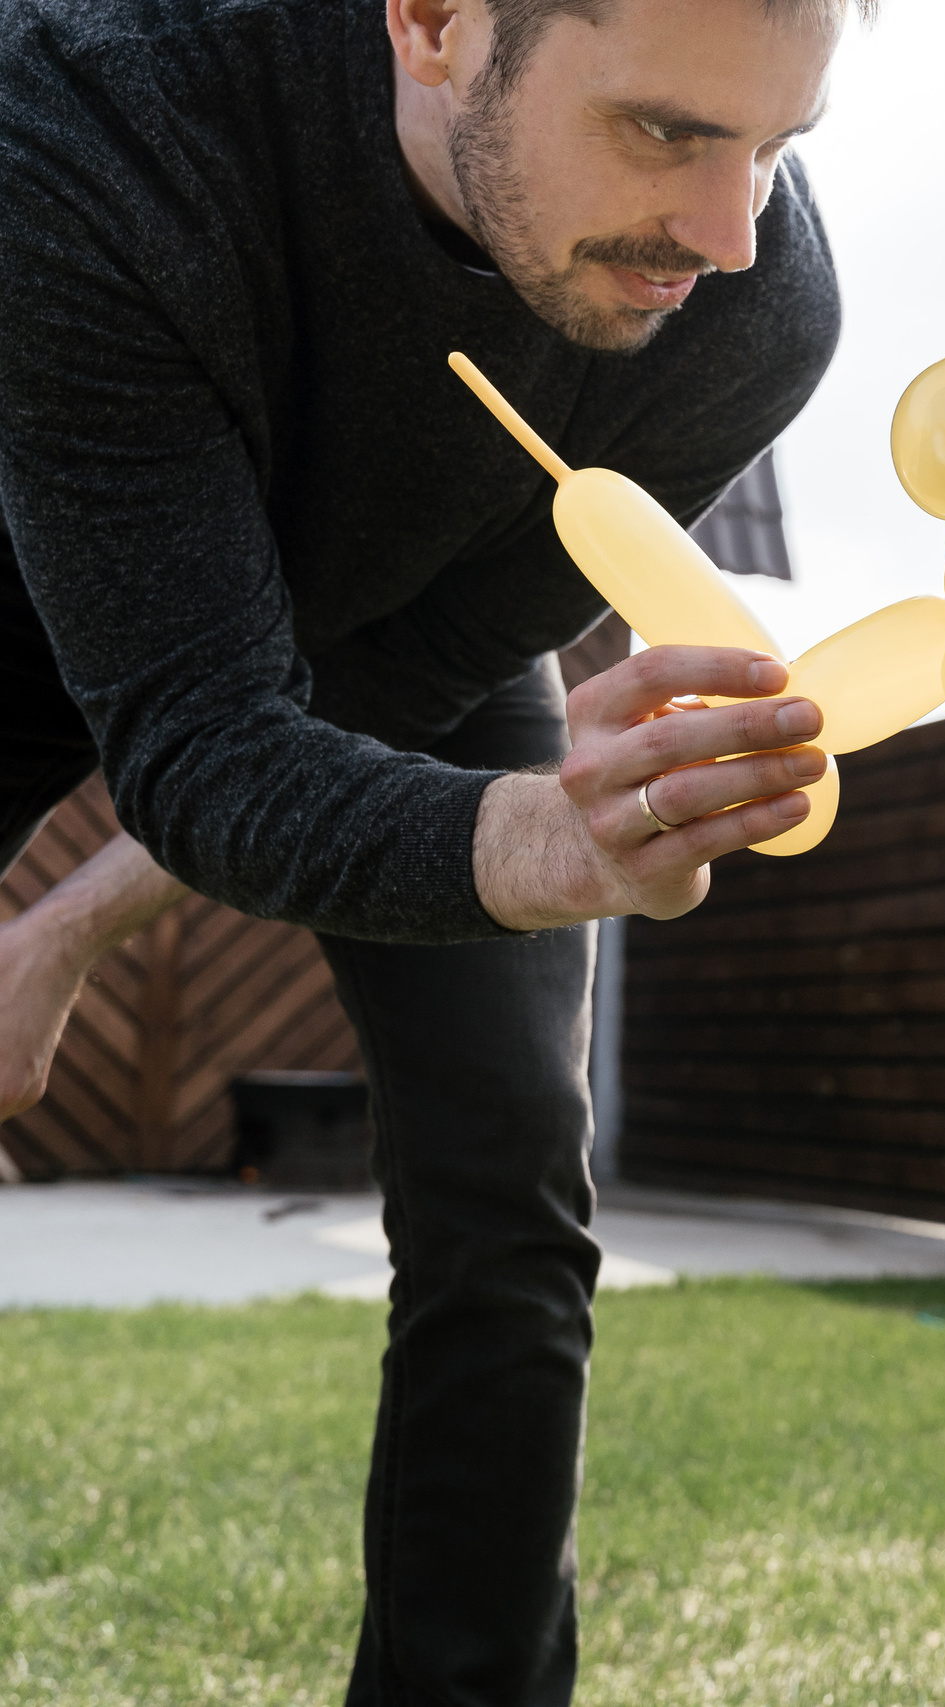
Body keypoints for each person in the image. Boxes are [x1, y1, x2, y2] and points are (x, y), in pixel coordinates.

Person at [0, 0, 859, 1697]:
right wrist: (539, 842)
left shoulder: (754, 315)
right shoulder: (91, 112)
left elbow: (383, 686)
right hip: (60, 572)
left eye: (775, 147)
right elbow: (197, 720)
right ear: (438, 21)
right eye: (665, 131)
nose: (728, 233)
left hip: (420, 648)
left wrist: (64, 931)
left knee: (513, 1179)